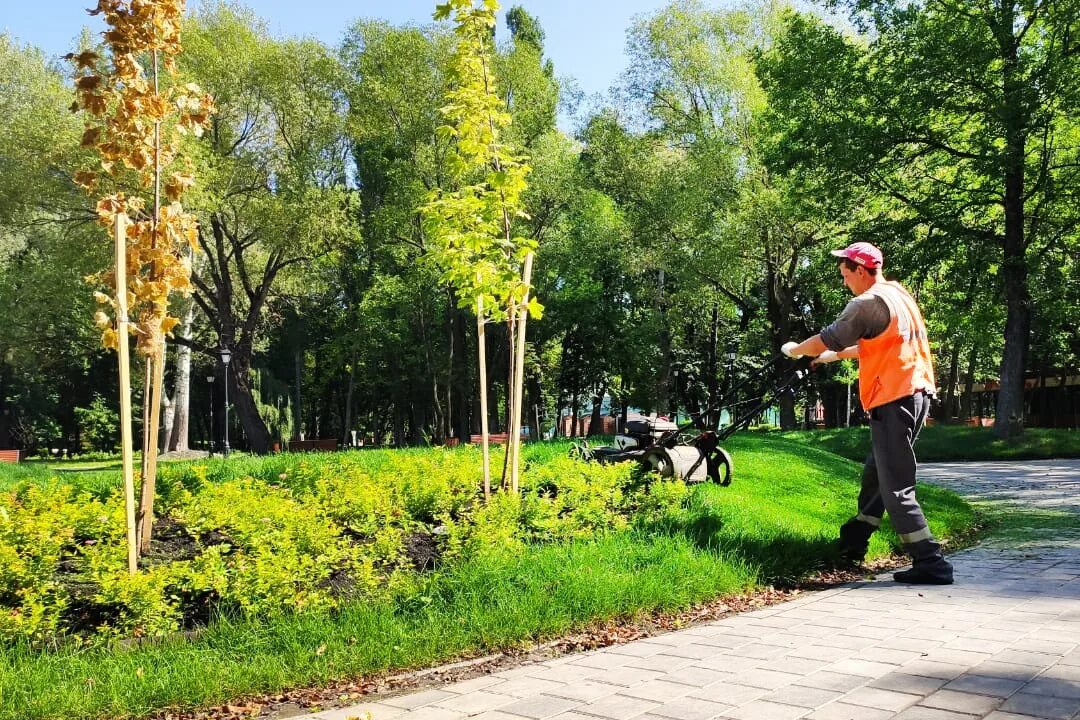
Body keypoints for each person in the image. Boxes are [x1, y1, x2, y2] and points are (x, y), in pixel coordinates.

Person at [780, 241, 953, 585]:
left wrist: (794, 350)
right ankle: (855, 541)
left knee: (896, 488)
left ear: (860, 271)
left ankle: (930, 561)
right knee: (877, 474)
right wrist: (835, 357)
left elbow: (825, 338)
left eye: (846, 275)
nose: (844, 282)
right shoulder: (897, 295)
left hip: (894, 399)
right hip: (915, 394)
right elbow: (879, 342)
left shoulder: (867, 302)